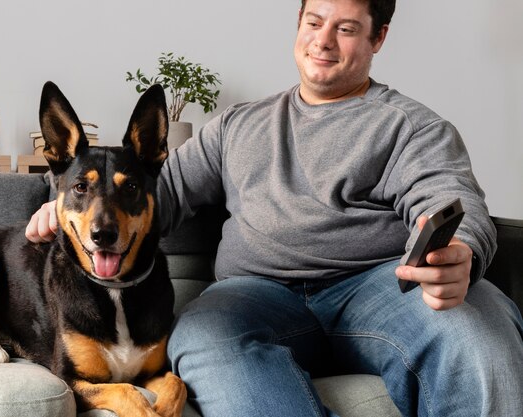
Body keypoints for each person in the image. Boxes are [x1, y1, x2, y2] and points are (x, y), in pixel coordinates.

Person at [26, 0, 523, 415]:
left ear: (379, 38)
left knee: (481, 336)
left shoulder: (411, 127)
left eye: (346, 28)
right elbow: (156, 195)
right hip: (254, 295)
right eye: (313, 22)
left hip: (379, 288)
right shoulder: (236, 127)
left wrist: (460, 249)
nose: (323, 40)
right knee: (200, 338)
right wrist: (66, 206)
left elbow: (450, 195)